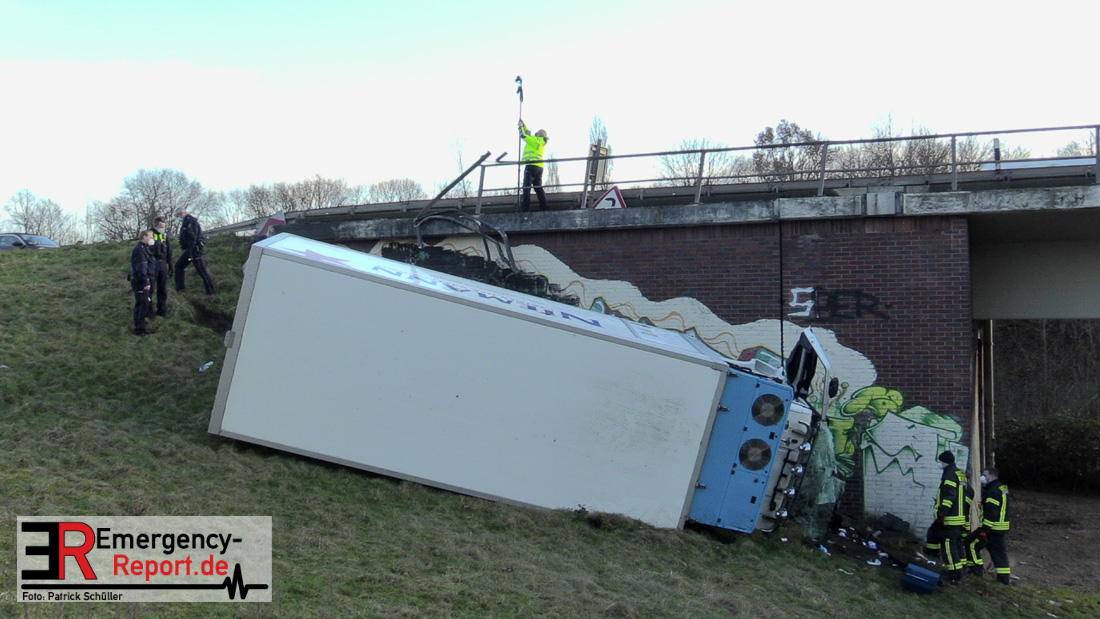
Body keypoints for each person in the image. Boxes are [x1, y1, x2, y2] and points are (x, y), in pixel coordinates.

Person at [965, 467, 1013, 585]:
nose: (982, 477)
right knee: (998, 553)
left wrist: (985, 530)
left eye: (985, 475)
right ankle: (1004, 579)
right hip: (1000, 528)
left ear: (991, 477)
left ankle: (976, 570)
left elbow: (992, 512)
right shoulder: (1002, 488)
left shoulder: (993, 492)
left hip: (991, 528)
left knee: (970, 543)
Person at [926, 450, 968, 584]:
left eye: (941, 461)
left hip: (951, 518)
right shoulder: (959, 474)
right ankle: (961, 571)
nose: (940, 463)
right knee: (957, 546)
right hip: (959, 517)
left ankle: (955, 575)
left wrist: (942, 512)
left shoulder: (949, 475)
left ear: (945, 462)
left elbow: (949, 495)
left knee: (949, 548)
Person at [174, 209, 216, 295]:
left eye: (178, 216)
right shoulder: (187, 222)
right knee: (179, 266)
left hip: (195, 250)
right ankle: (180, 289)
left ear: (182, 214)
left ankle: (211, 292)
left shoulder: (190, 222)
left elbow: (193, 238)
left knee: (202, 271)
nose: (178, 218)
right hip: (190, 250)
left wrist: (189, 251)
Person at [130, 229, 157, 336]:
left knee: (145, 304)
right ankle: (139, 330)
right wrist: (145, 282)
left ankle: (142, 327)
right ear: (144, 237)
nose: (153, 239)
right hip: (140, 281)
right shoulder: (140, 250)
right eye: (151, 237)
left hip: (144, 279)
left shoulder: (145, 249)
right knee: (141, 304)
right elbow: (141, 267)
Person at [518, 119, 549, 212]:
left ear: (539, 134)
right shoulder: (541, 142)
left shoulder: (535, 140)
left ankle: (525, 208)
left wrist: (520, 127)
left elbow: (524, 136)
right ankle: (544, 206)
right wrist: (524, 125)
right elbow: (528, 134)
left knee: (526, 187)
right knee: (538, 187)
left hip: (531, 165)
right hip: (539, 167)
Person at [150, 217, 173, 316]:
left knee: (162, 288)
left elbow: (169, 250)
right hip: (152, 263)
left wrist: (170, 265)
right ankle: (148, 312)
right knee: (150, 289)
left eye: (164, 227)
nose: (163, 229)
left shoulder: (164, 235)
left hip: (162, 263)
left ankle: (162, 310)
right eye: (161, 227)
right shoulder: (149, 235)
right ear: (155, 226)